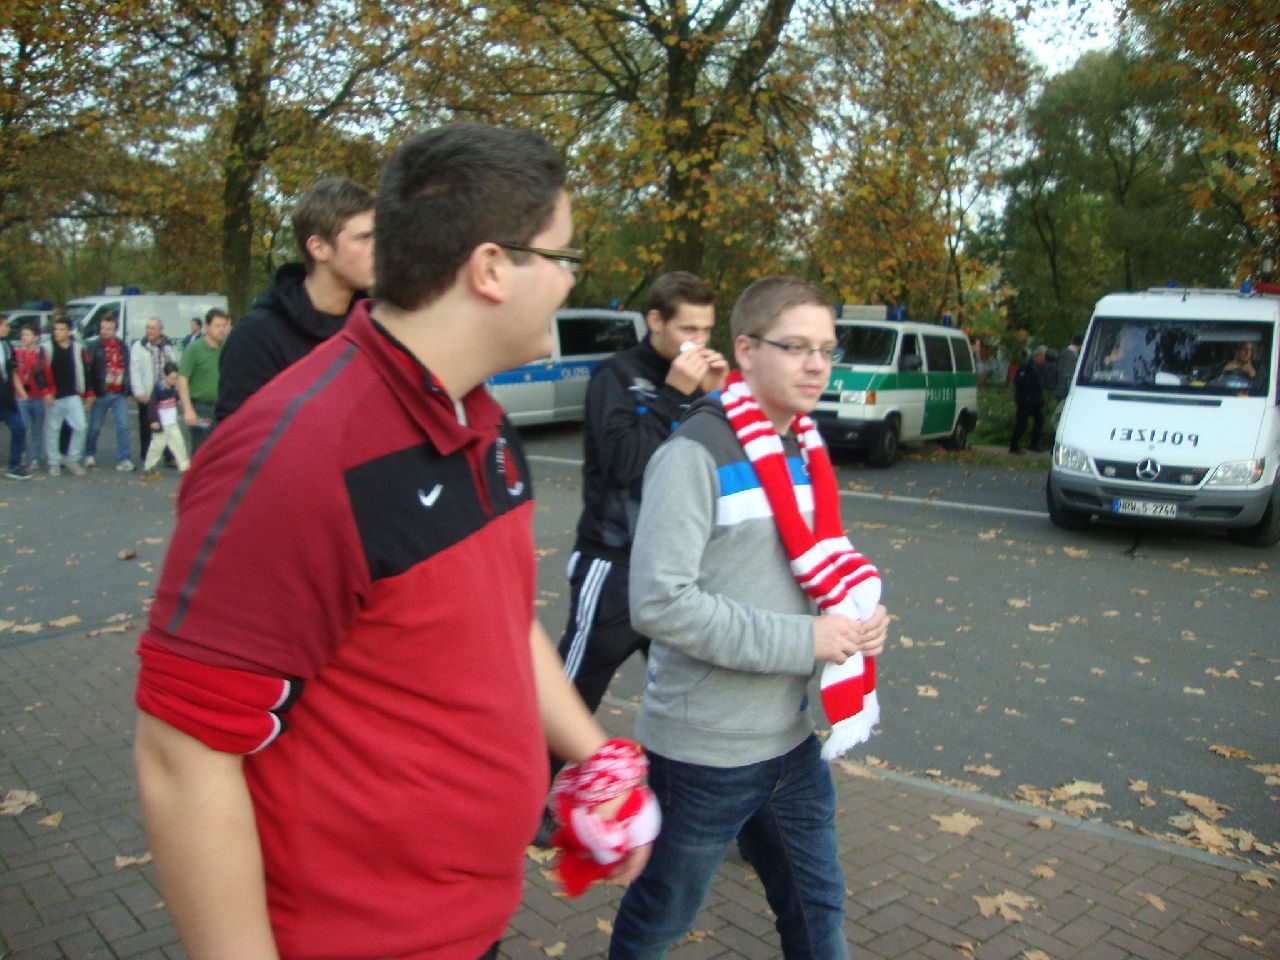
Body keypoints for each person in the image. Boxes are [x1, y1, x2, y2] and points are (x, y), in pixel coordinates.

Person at [133, 122, 652, 960]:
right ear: (490, 268)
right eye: (563, 256)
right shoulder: (299, 455)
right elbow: (181, 756)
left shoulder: (477, 417)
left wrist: (596, 760)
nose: (569, 280)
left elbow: (501, 624)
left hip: (469, 925)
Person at [608, 276, 890, 960]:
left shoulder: (805, 453)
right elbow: (658, 602)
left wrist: (857, 614)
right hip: (703, 754)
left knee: (818, 911)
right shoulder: (693, 455)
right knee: (657, 925)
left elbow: (809, 568)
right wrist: (806, 639)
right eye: (796, 346)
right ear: (746, 349)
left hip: (791, 742)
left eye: (827, 348)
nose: (817, 364)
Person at [533, 272, 726, 843]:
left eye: (708, 329)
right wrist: (673, 393)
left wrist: (719, 395)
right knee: (574, 690)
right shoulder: (616, 377)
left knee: (695, 694)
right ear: (656, 321)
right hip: (614, 561)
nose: (698, 339)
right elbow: (623, 464)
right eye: (687, 327)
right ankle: (522, 800)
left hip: (679, 568)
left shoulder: (701, 382)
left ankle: (723, 811)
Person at [215, 177, 375, 422]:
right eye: (364, 238)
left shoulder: (377, 329)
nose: (379, 248)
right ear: (319, 247)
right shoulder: (257, 337)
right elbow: (237, 443)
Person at [40, 316, 91, 476]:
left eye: (61, 329)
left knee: (81, 426)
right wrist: (46, 391)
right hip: (54, 396)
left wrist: (88, 392)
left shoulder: (77, 348)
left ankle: (72, 459)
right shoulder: (46, 348)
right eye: (55, 329)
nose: (57, 332)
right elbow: (39, 371)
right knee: (53, 429)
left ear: (69, 331)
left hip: (72, 394)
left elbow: (85, 370)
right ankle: (54, 462)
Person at [84, 313, 134, 471]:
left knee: (123, 425)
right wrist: (90, 390)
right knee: (95, 427)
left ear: (115, 329)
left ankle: (123, 459)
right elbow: (88, 370)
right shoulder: (94, 346)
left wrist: (129, 387)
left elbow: (127, 367)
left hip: (118, 392)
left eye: (108, 328)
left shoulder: (122, 345)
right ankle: (89, 454)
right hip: (101, 392)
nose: (104, 331)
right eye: (102, 328)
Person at [177, 308, 230, 454]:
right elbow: (182, 379)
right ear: (207, 327)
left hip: (222, 406)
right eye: (217, 326)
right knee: (201, 451)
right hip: (201, 407)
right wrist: (188, 409)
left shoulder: (226, 347)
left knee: (220, 451)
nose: (222, 330)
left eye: (224, 326)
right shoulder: (195, 348)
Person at [130, 317, 181, 466]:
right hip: (148, 391)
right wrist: (139, 391)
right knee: (147, 425)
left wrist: (175, 390)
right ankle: (147, 457)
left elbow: (175, 367)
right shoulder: (139, 347)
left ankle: (169, 456)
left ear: (160, 331)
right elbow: (135, 370)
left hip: (165, 392)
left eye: (152, 328)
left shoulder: (168, 346)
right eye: (147, 328)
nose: (149, 331)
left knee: (169, 424)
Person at [139, 362, 189, 476]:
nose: (173, 381)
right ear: (164, 376)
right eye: (171, 378)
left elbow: (178, 400)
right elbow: (151, 406)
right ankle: (149, 467)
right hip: (162, 424)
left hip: (172, 423)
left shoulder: (173, 389)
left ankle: (185, 467)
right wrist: (154, 421)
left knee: (179, 444)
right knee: (157, 447)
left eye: (175, 378)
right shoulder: (158, 389)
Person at [14, 323, 50, 471]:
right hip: (21, 396)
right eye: (22, 335)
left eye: (27, 334)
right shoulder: (16, 353)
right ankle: (21, 454)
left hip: (38, 396)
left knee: (37, 428)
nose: (24, 337)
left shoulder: (41, 354)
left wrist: (47, 391)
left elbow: (47, 373)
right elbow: (13, 373)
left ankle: (35, 457)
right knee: (22, 427)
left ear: (36, 337)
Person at [0, 313, 31, 480]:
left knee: (18, 428)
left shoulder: (7, 345)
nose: (8, 328)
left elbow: (12, 372)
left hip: (6, 397)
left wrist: (21, 392)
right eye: (5, 325)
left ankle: (15, 465)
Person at [1009, 344, 1047, 454]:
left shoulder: (1038, 367)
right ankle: (1013, 445)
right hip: (1025, 400)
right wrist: (1025, 395)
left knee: (1039, 419)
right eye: (1044, 357)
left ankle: (1034, 443)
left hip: (1033, 400)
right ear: (1039, 355)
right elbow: (1020, 382)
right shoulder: (1027, 366)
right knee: (1022, 423)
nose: (1045, 360)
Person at [1050, 334, 1082, 428]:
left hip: (1062, 390)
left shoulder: (1064, 353)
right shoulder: (1071, 356)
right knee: (1059, 418)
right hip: (1065, 392)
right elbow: (1066, 376)